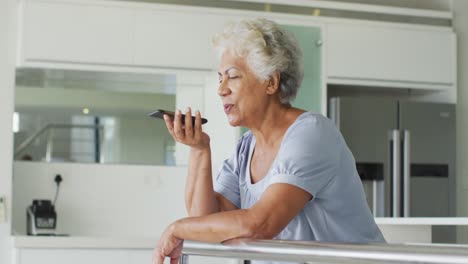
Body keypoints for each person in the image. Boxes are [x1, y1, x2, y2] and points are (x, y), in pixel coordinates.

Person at [152, 18, 385, 264]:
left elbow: (261, 223)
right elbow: (206, 222)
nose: (221, 89)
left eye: (233, 77)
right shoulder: (245, 148)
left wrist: (176, 228)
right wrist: (199, 149)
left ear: (271, 82)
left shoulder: (311, 134)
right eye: (220, 77)